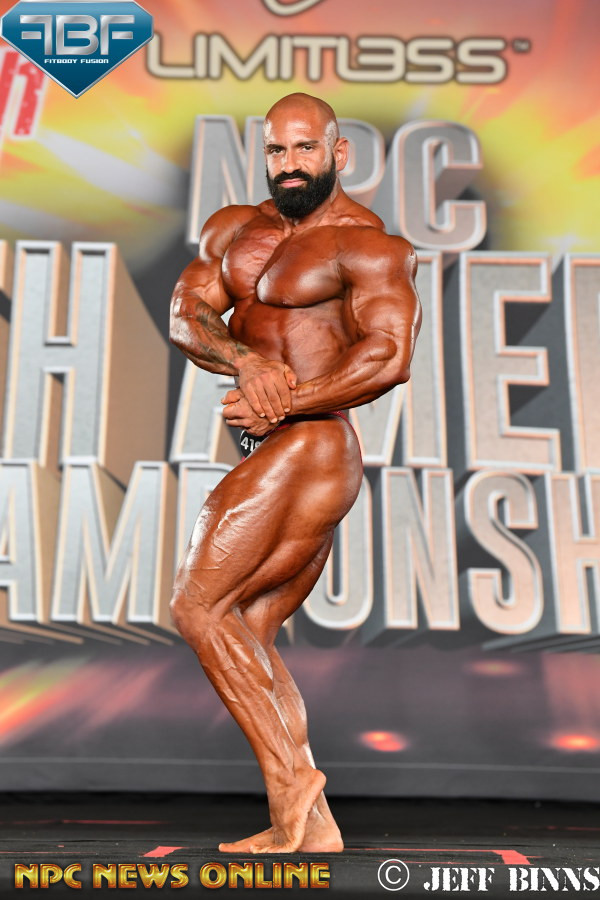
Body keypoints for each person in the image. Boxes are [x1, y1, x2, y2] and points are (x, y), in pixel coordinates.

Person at [169, 92, 421, 854]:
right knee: (247, 628)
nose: (289, 164)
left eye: (305, 149)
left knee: (197, 606)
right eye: (278, 150)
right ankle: (311, 827)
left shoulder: (370, 245)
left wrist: (287, 401)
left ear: (338, 153)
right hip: (270, 445)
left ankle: (292, 783)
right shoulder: (233, 230)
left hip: (314, 444)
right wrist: (246, 362)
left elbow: (387, 356)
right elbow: (188, 313)